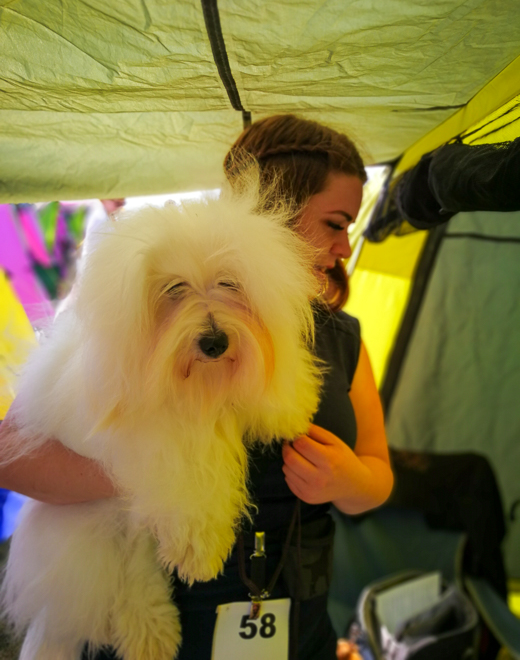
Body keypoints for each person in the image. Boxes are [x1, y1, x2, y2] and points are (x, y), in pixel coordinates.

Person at [0, 115, 393, 660]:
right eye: (335, 223)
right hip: (152, 621)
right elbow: (10, 457)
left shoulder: (341, 338)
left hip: (291, 619)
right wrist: (155, 474)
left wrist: (349, 479)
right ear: (276, 208)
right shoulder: (123, 317)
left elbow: (377, 475)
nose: (345, 247)